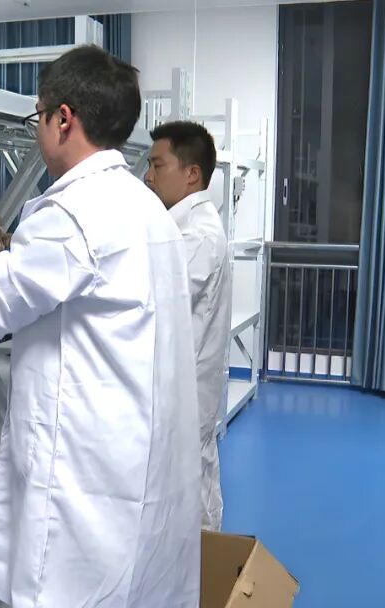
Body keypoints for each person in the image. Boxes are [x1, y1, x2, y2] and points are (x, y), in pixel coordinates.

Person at [0, 46, 201, 607]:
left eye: (37, 117)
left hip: (87, 474)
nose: (38, 131)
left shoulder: (70, 214)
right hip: (137, 462)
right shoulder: (146, 207)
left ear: (63, 119)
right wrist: (6, 268)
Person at [144, 120, 230, 531]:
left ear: (192, 173)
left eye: (157, 165)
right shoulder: (183, 228)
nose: (148, 176)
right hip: (181, 393)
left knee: (189, 501)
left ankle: (204, 565)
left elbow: (153, 300)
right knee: (191, 486)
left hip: (186, 395)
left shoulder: (199, 235)